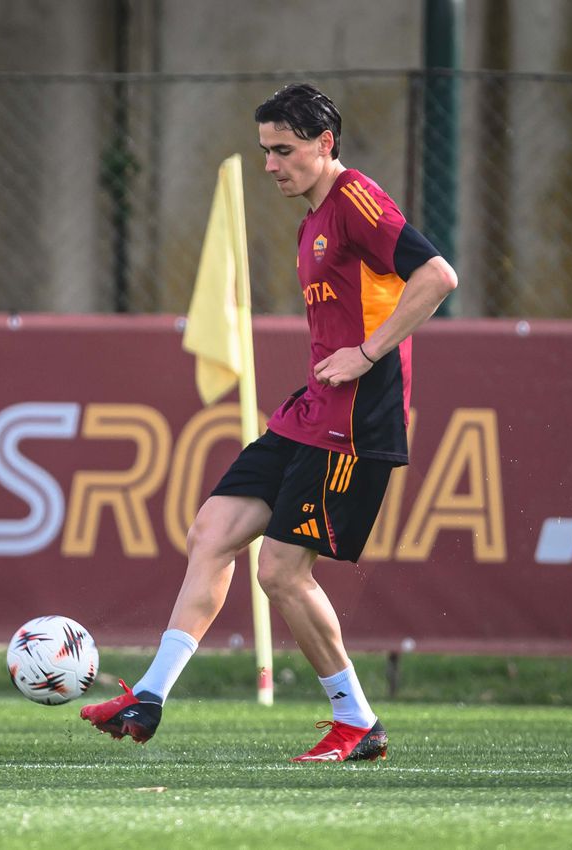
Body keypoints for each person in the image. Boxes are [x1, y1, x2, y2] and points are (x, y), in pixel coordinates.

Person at [81, 83, 458, 762]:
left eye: (283, 150)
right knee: (211, 532)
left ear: (324, 145)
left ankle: (356, 722)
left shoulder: (355, 201)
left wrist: (368, 352)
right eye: (263, 151)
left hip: (354, 423)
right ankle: (150, 696)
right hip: (308, 412)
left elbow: (436, 275)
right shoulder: (310, 218)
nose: (270, 164)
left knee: (280, 572)